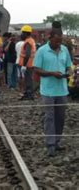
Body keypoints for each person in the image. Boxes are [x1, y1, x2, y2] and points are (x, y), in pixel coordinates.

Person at [33, 24, 71, 157]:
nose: (58, 43)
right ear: (50, 38)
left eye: (60, 41)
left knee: (60, 118)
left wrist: (68, 72)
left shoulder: (64, 50)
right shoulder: (42, 51)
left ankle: (57, 141)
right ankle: (50, 144)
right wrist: (51, 73)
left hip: (62, 90)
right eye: (56, 41)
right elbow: (36, 69)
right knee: (49, 117)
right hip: (48, 91)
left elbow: (68, 66)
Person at [19, 25, 37, 100]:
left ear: (26, 33)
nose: (21, 34)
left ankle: (29, 94)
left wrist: (24, 65)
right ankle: (28, 93)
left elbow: (27, 54)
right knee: (28, 79)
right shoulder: (31, 40)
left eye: (22, 33)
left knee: (28, 80)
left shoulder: (28, 42)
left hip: (28, 64)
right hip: (30, 63)